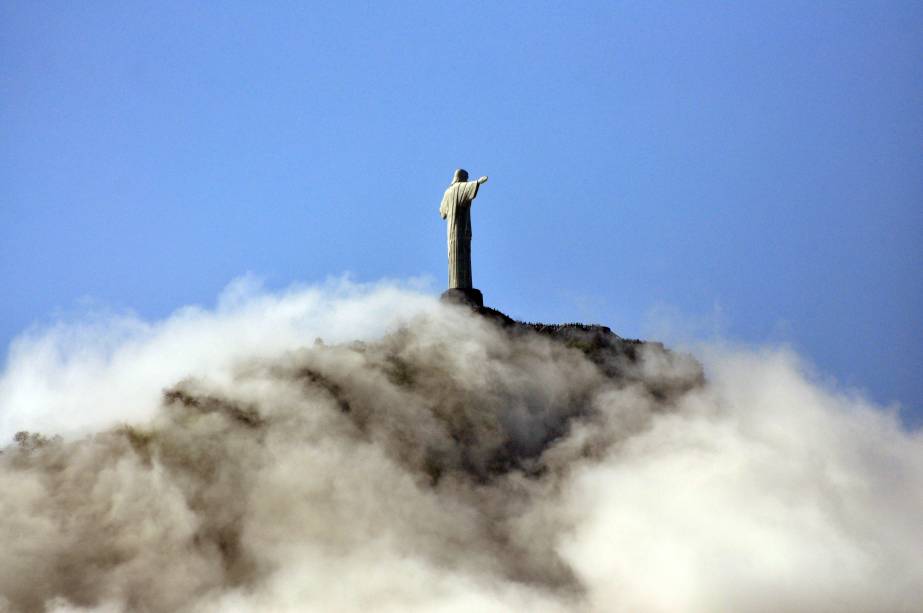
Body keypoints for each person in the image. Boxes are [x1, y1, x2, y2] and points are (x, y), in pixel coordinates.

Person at [439, 169, 488, 289]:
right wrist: (478, 182)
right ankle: (462, 285)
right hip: (460, 229)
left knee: (453, 255)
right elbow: (468, 187)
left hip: (450, 230)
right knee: (462, 254)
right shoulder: (459, 187)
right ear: (462, 178)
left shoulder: (447, 192)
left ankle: (454, 285)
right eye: (466, 178)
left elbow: (442, 212)